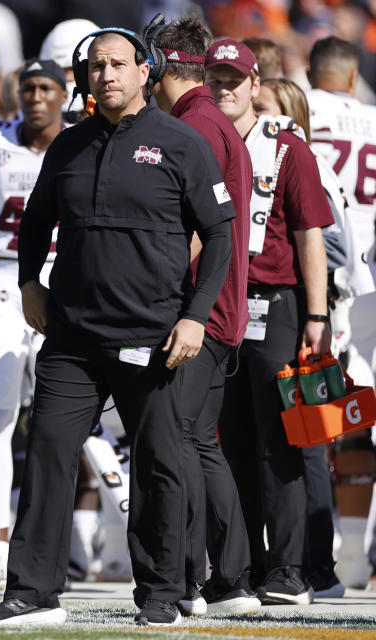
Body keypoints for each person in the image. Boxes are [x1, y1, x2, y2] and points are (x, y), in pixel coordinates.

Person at [0, 28, 235, 627]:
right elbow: (36, 221)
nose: (107, 74)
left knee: (159, 463)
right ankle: (32, 592)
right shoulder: (67, 145)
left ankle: (163, 594)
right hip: (72, 335)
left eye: (118, 64)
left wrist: (196, 316)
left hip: (154, 333)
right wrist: (31, 283)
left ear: (147, 70)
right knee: (46, 454)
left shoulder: (181, 141)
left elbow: (220, 233)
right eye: (95, 66)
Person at [206, 38, 333, 606]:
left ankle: (288, 569)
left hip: (274, 303)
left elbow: (311, 233)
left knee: (281, 440)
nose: (225, 87)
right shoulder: (201, 141)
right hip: (215, 307)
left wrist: (316, 312)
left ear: (256, 85)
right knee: (227, 442)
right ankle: (242, 568)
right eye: (215, 78)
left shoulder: (287, 147)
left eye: (235, 78)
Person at [146, 16, 259, 616]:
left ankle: (195, 577)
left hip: (198, 310)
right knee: (200, 443)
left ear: (160, 63)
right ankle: (230, 578)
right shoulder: (209, 119)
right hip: (218, 308)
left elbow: (195, 229)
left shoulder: (192, 124)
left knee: (179, 442)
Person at [0, 58, 66, 592]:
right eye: (29, 87)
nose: (37, 96)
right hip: (4, 277)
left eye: (47, 87)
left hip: (65, 278)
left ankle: (73, 538)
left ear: (65, 94)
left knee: (69, 414)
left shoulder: (81, 141)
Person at [256, 75, 352, 599]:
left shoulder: (308, 163)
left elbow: (337, 249)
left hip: (309, 316)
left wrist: (297, 270)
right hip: (284, 313)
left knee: (308, 439)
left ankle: (320, 565)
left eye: (269, 110)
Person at [306, 37, 376, 591]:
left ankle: (316, 543)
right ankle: (353, 552)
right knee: (360, 409)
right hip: (369, 271)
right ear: (353, 78)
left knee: (308, 409)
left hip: (319, 268)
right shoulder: (372, 119)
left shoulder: (297, 108)